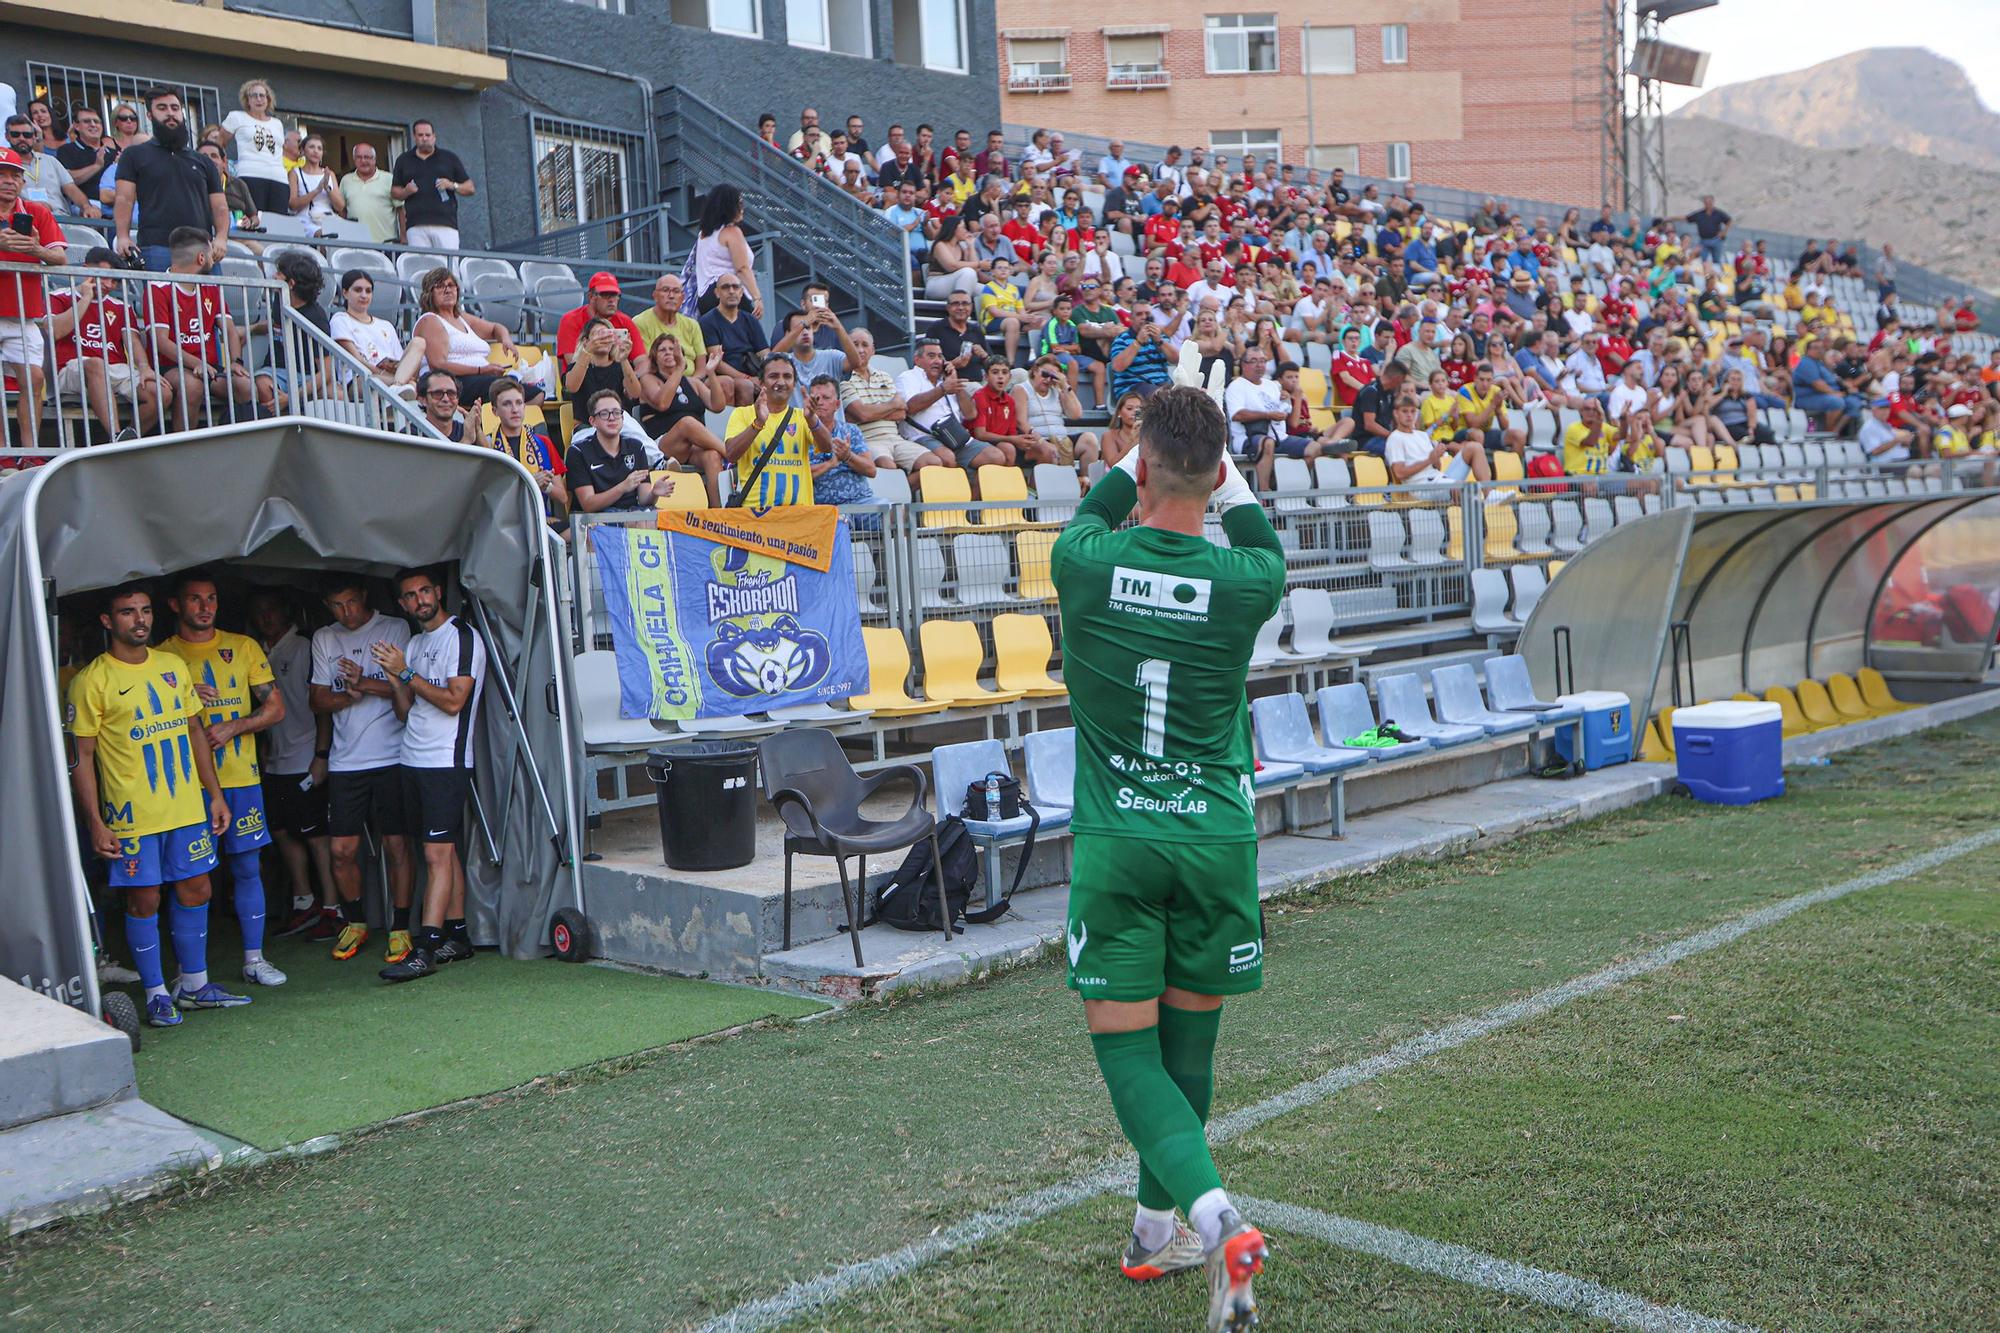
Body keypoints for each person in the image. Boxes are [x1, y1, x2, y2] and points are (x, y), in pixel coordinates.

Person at [1049, 386, 1276, 1326]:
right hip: (1216, 839)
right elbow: (1251, 525)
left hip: (1121, 842)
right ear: (1218, 470)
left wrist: (1125, 463)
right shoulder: (1252, 579)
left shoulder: (1083, 564)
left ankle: (1214, 1214)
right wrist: (1216, 479)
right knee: (1189, 1047)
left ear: (1141, 465)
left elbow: (1101, 506)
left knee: (1130, 1057)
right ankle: (1154, 1229)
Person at [69, 582, 243, 1027]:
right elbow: (81, 760)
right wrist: (95, 822)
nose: (140, 620)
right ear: (108, 621)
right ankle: (155, 994)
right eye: (128, 612)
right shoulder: (92, 680)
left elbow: (195, 734)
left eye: (145, 611)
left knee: (197, 889)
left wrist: (215, 795)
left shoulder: (172, 666)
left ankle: (195, 985)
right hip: (132, 817)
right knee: (144, 900)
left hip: (186, 808)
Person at [159, 571, 288, 988]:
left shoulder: (243, 646)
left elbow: (276, 710)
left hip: (241, 779)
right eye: (194, 599)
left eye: (211, 598)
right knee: (190, 879)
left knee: (247, 868)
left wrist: (235, 726)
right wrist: (186, 697)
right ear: (176, 605)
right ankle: (189, 975)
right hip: (188, 785)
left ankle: (254, 959)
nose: (205, 607)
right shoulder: (162, 659)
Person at [374, 567, 486, 981]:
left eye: (424, 591)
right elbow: (406, 712)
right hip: (412, 759)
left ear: (438, 592)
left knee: (437, 854)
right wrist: (394, 678)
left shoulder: (461, 636)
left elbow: (455, 702)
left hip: (445, 761)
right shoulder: (416, 643)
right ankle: (457, 935)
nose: (419, 599)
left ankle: (426, 948)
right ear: (402, 604)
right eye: (409, 595)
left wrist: (405, 673)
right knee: (442, 852)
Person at [310, 575, 417, 964]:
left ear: (365, 597)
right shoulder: (325, 637)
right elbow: (317, 699)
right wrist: (347, 694)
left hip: (393, 756)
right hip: (345, 761)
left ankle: (401, 927)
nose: (347, 612)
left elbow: (409, 686)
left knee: (397, 845)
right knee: (341, 850)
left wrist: (364, 683)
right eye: (338, 605)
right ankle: (355, 923)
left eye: (352, 602)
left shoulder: (394, 627)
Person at [248, 589, 339, 942]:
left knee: (316, 836)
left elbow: (321, 703)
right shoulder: (254, 652)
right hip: (273, 762)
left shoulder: (302, 648)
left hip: (305, 756)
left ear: (286, 610)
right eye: (259, 611)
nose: (265, 616)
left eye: (271, 608)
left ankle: (333, 909)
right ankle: (305, 903)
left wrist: (321, 755)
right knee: (282, 832)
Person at [145, 226, 264, 431]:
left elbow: (229, 330)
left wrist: (236, 362)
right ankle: (185, 447)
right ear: (201, 258)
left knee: (245, 385)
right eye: (211, 253)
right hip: (171, 367)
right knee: (192, 385)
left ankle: (241, 446)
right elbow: (161, 341)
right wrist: (196, 362)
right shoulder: (158, 288)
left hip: (209, 368)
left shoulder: (211, 287)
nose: (214, 258)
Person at [47, 247, 166, 442]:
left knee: (161, 392)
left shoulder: (121, 307)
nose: (109, 285)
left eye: (114, 280)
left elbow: (133, 341)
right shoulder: (59, 296)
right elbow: (56, 331)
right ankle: (115, 435)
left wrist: (144, 367)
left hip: (114, 369)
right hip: (71, 369)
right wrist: (86, 298)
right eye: (104, 277)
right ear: (85, 269)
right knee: (96, 364)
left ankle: (125, 441)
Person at [113, 88, 229, 272]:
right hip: (156, 248)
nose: (170, 113)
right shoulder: (134, 155)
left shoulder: (203, 161)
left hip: (203, 250)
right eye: (162, 108)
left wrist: (221, 238)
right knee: (159, 302)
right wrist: (122, 236)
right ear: (150, 115)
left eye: (175, 108)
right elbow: (124, 199)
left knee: (210, 302)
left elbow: (220, 207)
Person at [0, 146, 68, 447]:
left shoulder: (37, 212)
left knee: (35, 380)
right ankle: (2, 453)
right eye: (1, 175)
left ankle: (30, 452)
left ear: (23, 182)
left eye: (14, 175)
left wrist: (34, 250)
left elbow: (59, 258)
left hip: (24, 313)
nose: (8, 181)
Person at [635, 336, 728, 505]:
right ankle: (731, 453)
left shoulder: (693, 383)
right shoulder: (649, 379)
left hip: (692, 447)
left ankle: (718, 515)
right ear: (655, 356)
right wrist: (679, 369)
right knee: (687, 422)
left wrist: (711, 373)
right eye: (663, 350)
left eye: (672, 349)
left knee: (712, 456)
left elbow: (718, 405)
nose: (668, 353)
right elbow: (662, 404)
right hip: (663, 447)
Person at [413, 266, 521, 407]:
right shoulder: (430, 320)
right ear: (429, 294)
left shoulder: (462, 318)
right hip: (451, 383)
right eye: (440, 286)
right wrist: (481, 370)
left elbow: (496, 328)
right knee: (506, 388)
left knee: (536, 393)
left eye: (451, 285)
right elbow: (438, 365)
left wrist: (506, 340)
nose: (448, 290)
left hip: (480, 379)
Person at [723, 358, 825, 507]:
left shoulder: (803, 416)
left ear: (794, 383)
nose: (781, 382)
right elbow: (731, 454)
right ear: (761, 383)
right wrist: (758, 423)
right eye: (774, 376)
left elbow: (827, 447)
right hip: (756, 517)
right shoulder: (742, 414)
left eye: (787, 376)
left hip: (798, 517)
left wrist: (812, 419)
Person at [843, 327, 941, 473]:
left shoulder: (884, 376)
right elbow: (863, 413)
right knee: (889, 468)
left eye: (865, 345)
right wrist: (891, 405)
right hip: (868, 440)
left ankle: (905, 489)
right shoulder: (843, 379)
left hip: (896, 439)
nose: (860, 349)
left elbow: (901, 413)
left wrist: (868, 413)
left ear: (873, 350)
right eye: (855, 344)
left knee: (934, 463)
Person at [487, 375, 570, 524]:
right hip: (503, 524)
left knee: (585, 534)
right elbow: (490, 497)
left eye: (519, 403)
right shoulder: (488, 445)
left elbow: (563, 497)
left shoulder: (543, 443)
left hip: (541, 520)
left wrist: (546, 486)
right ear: (494, 411)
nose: (514, 410)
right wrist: (531, 483)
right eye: (507, 404)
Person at [566, 388, 659, 512]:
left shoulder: (636, 447)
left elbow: (643, 500)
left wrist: (654, 493)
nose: (612, 418)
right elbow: (588, 505)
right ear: (592, 421)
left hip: (633, 514)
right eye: (604, 413)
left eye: (616, 412)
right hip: (597, 520)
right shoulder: (578, 452)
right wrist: (622, 487)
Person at [331, 268, 422, 394]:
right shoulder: (340, 320)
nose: (364, 295)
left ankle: (399, 386)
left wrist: (393, 372)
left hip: (391, 378)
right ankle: (401, 386)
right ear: (345, 293)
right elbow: (356, 360)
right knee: (415, 386)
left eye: (368, 291)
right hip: (360, 379)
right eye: (358, 290)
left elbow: (399, 360)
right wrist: (381, 373)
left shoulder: (386, 325)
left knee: (419, 342)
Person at [390, 119, 473, 250]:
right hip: (416, 225)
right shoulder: (404, 160)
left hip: (446, 225)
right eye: (420, 135)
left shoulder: (449, 158)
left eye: (428, 135)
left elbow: (470, 188)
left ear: (434, 137)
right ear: (414, 137)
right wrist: (406, 191)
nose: (424, 138)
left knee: (448, 266)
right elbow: (394, 192)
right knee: (421, 268)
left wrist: (452, 185)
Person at [803, 372, 879, 508]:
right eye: (815, 398)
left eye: (826, 398)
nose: (819, 402)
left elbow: (871, 470)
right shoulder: (798, 433)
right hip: (824, 508)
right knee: (840, 524)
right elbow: (798, 477)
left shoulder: (851, 431)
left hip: (860, 501)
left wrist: (848, 456)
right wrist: (831, 464)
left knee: (897, 514)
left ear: (837, 404)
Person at [689, 183, 762, 317]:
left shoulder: (704, 234)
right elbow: (742, 268)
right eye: (739, 203)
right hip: (729, 293)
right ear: (728, 206)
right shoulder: (732, 232)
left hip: (705, 297)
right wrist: (757, 297)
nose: (742, 208)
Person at [697, 274, 769, 406]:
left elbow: (765, 354)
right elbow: (717, 362)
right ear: (717, 293)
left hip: (752, 372)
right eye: (725, 287)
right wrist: (747, 378)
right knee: (745, 386)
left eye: (735, 287)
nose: (731, 291)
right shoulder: (707, 321)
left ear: (741, 293)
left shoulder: (750, 319)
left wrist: (767, 377)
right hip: (721, 376)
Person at [1386, 394, 1491, 484]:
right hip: (1421, 486)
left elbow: (1437, 468)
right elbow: (1399, 473)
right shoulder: (1395, 438)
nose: (1409, 415)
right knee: (1464, 488)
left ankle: (1489, 494)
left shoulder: (1422, 435)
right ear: (1396, 413)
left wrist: (1436, 455)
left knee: (1474, 447)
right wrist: (1429, 459)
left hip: (1438, 479)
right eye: (1405, 411)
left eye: (1413, 411)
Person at [220, 79, 289, 216]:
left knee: (276, 224)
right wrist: (225, 167)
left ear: (268, 99)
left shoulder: (277, 123)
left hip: (279, 179)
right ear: (247, 100)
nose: (259, 99)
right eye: (254, 95)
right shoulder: (237, 117)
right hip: (250, 175)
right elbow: (219, 143)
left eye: (262, 95)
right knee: (252, 221)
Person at [556, 271, 647, 372]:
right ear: (591, 297)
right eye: (605, 295)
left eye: (615, 295)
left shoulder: (625, 321)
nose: (612, 300)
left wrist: (634, 377)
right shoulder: (570, 320)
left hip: (617, 383)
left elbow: (641, 361)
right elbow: (572, 363)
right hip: (581, 382)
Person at [564, 316, 645, 414]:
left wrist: (624, 359)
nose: (604, 339)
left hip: (618, 423)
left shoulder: (621, 366)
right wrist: (588, 351)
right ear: (586, 341)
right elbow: (572, 387)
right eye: (599, 335)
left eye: (608, 335)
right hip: (588, 424)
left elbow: (635, 393)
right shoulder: (577, 367)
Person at [632, 272, 704, 367]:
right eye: (665, 290)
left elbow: (701, 367)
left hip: (692, 379)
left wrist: (695, 380)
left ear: (682, 298)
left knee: (725, 381)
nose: (671, 296)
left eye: (676, 291)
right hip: (657, 378)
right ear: (655, 296)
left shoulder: (692, 324)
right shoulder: (640, 322)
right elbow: (644, 364)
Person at [285, 133, 345, 234]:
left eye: (319, 148)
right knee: (324, 235)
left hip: (328, 219)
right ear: (303, 151)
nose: (315, 151)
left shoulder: (329, 174)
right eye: (311, 147)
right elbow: (292, 204)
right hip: (306, 220)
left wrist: (327, 189)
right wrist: (317, 190)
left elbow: (340, 206)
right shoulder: (295, 173)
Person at [338, 142, 396, 243]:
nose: (363, 161)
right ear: (354, 160)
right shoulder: (346, 180)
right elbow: (342, 211)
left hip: (385, 243)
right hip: (355, 244)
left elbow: (401, 209)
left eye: (367, 157)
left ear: (374, 159)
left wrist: (404, 238)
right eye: (359, 157)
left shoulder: (389, 178)